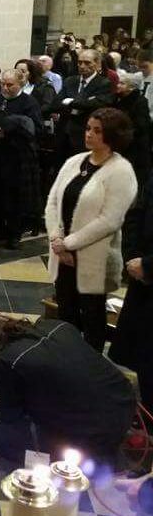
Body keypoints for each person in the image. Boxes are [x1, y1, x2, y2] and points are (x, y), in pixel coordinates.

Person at [0, 318, 135, 466]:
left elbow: (9, 415)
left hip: (93, 432)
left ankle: (85, 456)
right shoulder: (59, 326)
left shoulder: (7, 359)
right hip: (125, 404)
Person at [45, 108, 137, 350]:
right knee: (66, 311)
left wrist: (69, 244)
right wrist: (57, 239)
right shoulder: (75, 161)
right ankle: (68, 357)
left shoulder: (121, 170)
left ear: (112, 136)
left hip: (94, 254)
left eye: (97, 131)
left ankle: (89, 365)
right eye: (88, 128)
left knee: (92, 315)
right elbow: (53, 201)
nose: (89, 134)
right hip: (62, 251)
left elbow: (110, 220)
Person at [109, 167, 153, 418]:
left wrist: (148, 265)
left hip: (148, 268)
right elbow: (136, 214)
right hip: (142, 275)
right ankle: (146, 409)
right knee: (143, 351)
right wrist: (134, 257)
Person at [0, 70, 43, 248]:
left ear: (21, 84)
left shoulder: (29, 102)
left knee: (15, 195)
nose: (5, 88)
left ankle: (14, 233)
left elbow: (36, 129)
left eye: (10, 85)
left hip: (18, 155)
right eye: (3, 84)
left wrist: (10, 129)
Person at [49, 48, 114, 159]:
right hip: (64, 132)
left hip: (85, 133)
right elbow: (56, 103)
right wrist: (81, 103)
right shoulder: (70, 81)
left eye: (87, 63)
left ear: (97, 64)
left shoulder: (103, 83)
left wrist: (70, 102)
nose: (82, 66)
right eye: (80, 63)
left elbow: (96, 105)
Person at [113, 70, 152, 188]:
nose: (118, 85)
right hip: (121, 144)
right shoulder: (116, 99)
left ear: (131, 87)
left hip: (135, 147)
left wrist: (123, 132)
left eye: (122, 83)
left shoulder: (140, 102)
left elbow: (142, 126)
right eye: (118, 83)